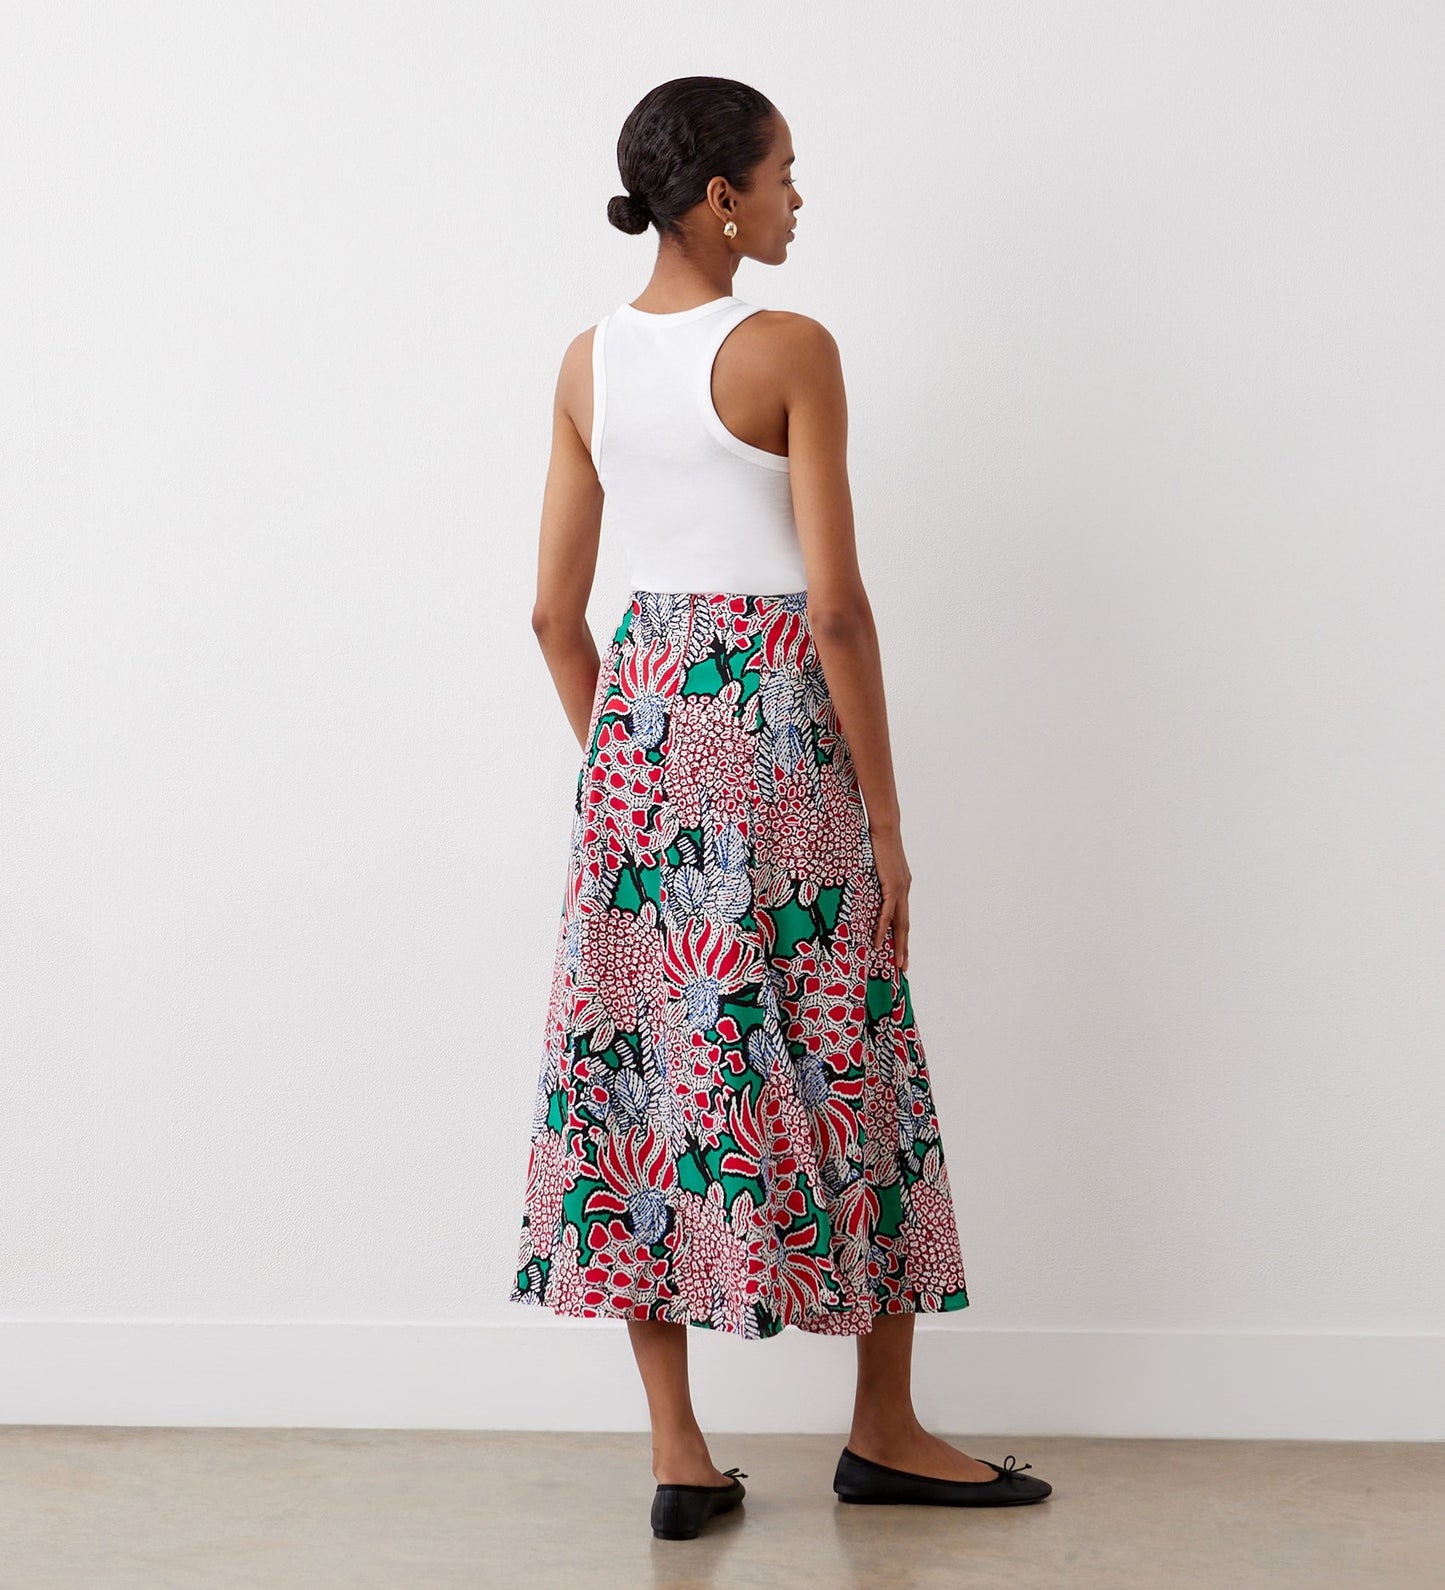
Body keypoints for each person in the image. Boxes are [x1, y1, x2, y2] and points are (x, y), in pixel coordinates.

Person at [510, 75, 1052, 1539]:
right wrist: (883, 824)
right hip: (777, 729)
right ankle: (881, 1427)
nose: (798, 196)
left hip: (642, 724)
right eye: (784, 173)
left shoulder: (585, 363)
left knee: (638, 1064)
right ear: (718, 200)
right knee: (848, 1037)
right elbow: (838, 608)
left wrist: (630, 774)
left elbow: (556, 618)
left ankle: (681, 1451)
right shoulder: (789, 349)